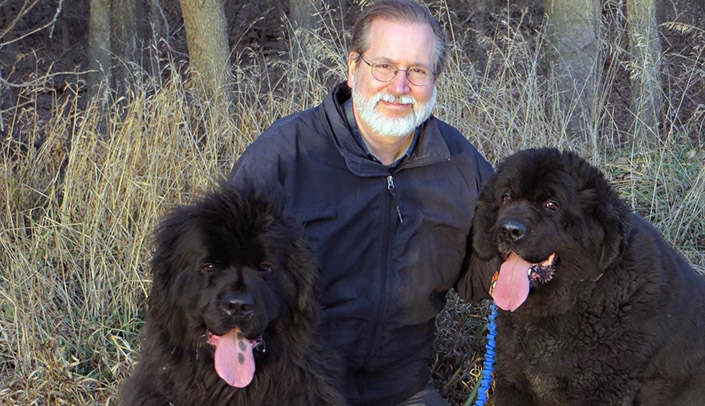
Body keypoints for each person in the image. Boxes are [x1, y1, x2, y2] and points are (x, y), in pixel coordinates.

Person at [228, 0, 493, 404]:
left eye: (417, 71)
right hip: (295, 384)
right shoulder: (284, 158)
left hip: (404, 388)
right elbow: (227, 282)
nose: (399, 86)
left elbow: (484, 273)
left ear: (435, 78)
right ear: (353, 68)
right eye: (384, 66)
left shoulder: (459, 163)